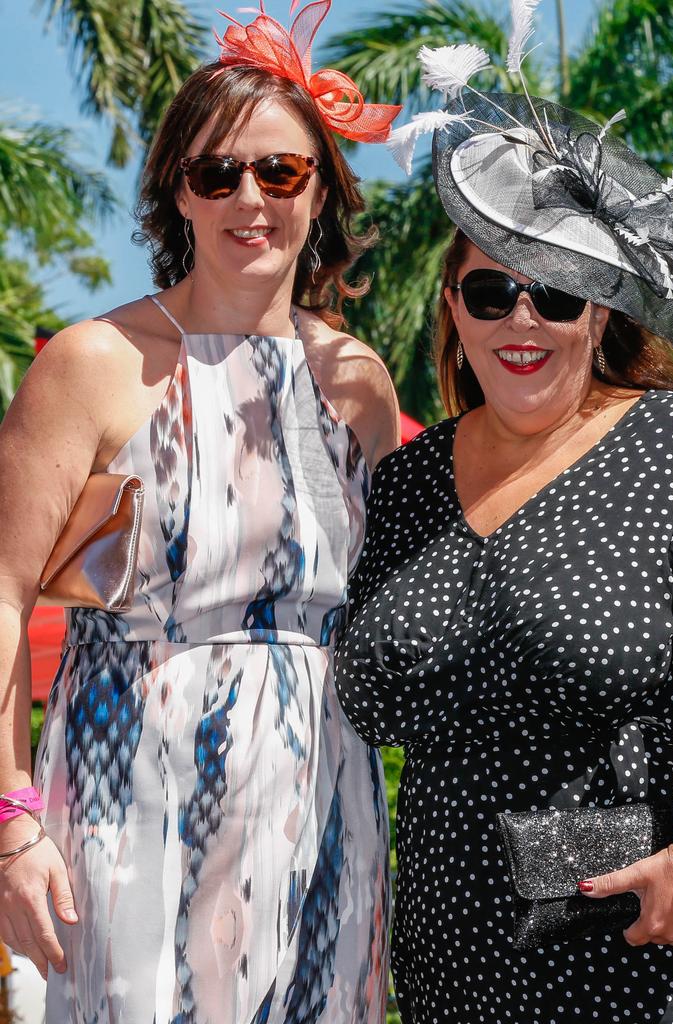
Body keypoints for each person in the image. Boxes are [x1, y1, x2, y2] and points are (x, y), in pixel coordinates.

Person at [334, 33, 673, 1024]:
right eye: (490, 292)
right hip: (454, 950)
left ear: (600, 314)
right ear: (454, 309)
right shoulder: (403, 486)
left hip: (645, 933)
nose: (519, 319)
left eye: (557, 293)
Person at [0, 3, 401, 1021]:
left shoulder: (357, 380)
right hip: (130, 792)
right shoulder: (94, 364)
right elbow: (2, 599)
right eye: (215, 173)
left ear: (323, 190)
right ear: (176, 191)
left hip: (326, 801)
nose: (248, 198)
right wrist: (11, 823)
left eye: (280, 171)